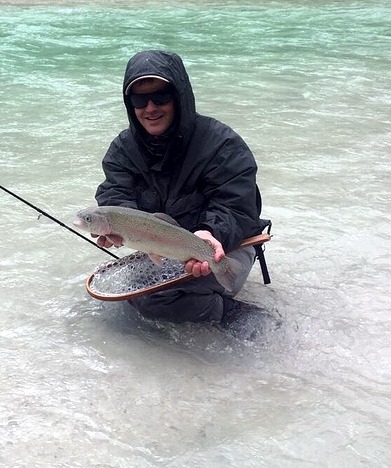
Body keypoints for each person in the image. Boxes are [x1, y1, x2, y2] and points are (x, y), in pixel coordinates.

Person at [94, 50, 269, 323]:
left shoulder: (222, 144)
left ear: (179, 96)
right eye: (140, 100)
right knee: (133, 298)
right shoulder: (122, 150)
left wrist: (212, 233)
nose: (150, 108)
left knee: (158, 302)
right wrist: (120, 228)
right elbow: (115, 196)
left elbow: (237, 207)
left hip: (226, 245)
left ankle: (234, 316)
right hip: (167, 248)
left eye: (161, 96)